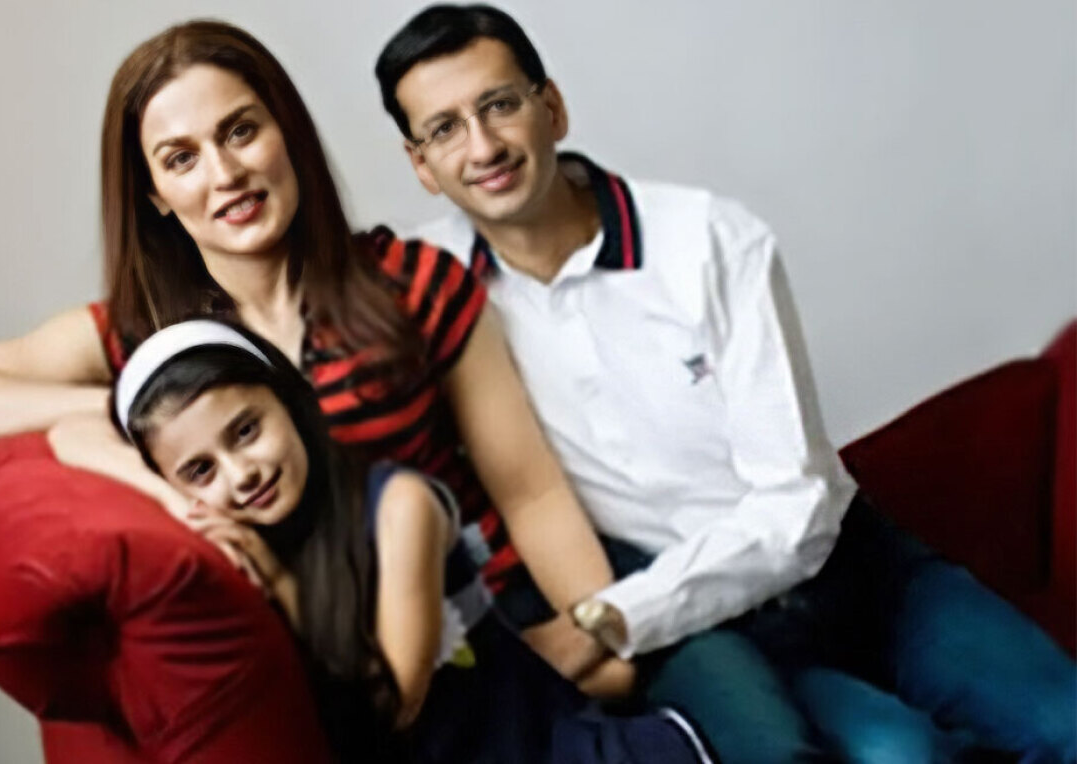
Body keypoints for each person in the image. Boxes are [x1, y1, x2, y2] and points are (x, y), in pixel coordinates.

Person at [374, 5, 1077, 763]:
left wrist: (613, 619)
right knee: (900, 755)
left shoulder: (707, 239)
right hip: (712, 632)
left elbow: (796, 503)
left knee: (1063, 721)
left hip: (852, 570)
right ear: (421, 166)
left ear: (552, 108)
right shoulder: (430, 294)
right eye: (444, 129)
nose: (483, 146)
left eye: (499, 105)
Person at [0, 19, 633, 694]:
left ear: (286, 133)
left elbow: (530, 494)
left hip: (490, 626)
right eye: (181, 158)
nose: (225, 174)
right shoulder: (138, 340)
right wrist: (124, 409)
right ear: (155, 194)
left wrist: (597, 630)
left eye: (240, 132)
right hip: (343, 671)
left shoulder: (415, 284)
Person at [110, 317, 711, 763]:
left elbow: (395, 706)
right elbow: (73, 435)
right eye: (200, 471)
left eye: (246, 431)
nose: (241, 474)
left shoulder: (401, 506)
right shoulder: (230, 545)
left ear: (289, 402)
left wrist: (281, 585)